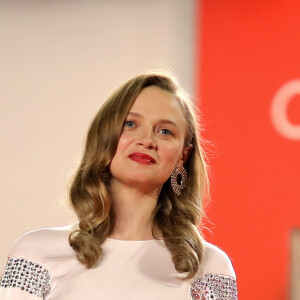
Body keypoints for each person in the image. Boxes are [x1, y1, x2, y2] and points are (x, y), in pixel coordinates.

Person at [0, 72, 238, 299]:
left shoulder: (209, 268)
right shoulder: (37, 254)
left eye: (165, 131)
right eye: (130, 124)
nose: (147, 140)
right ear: (105, 135)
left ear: (182, 156)